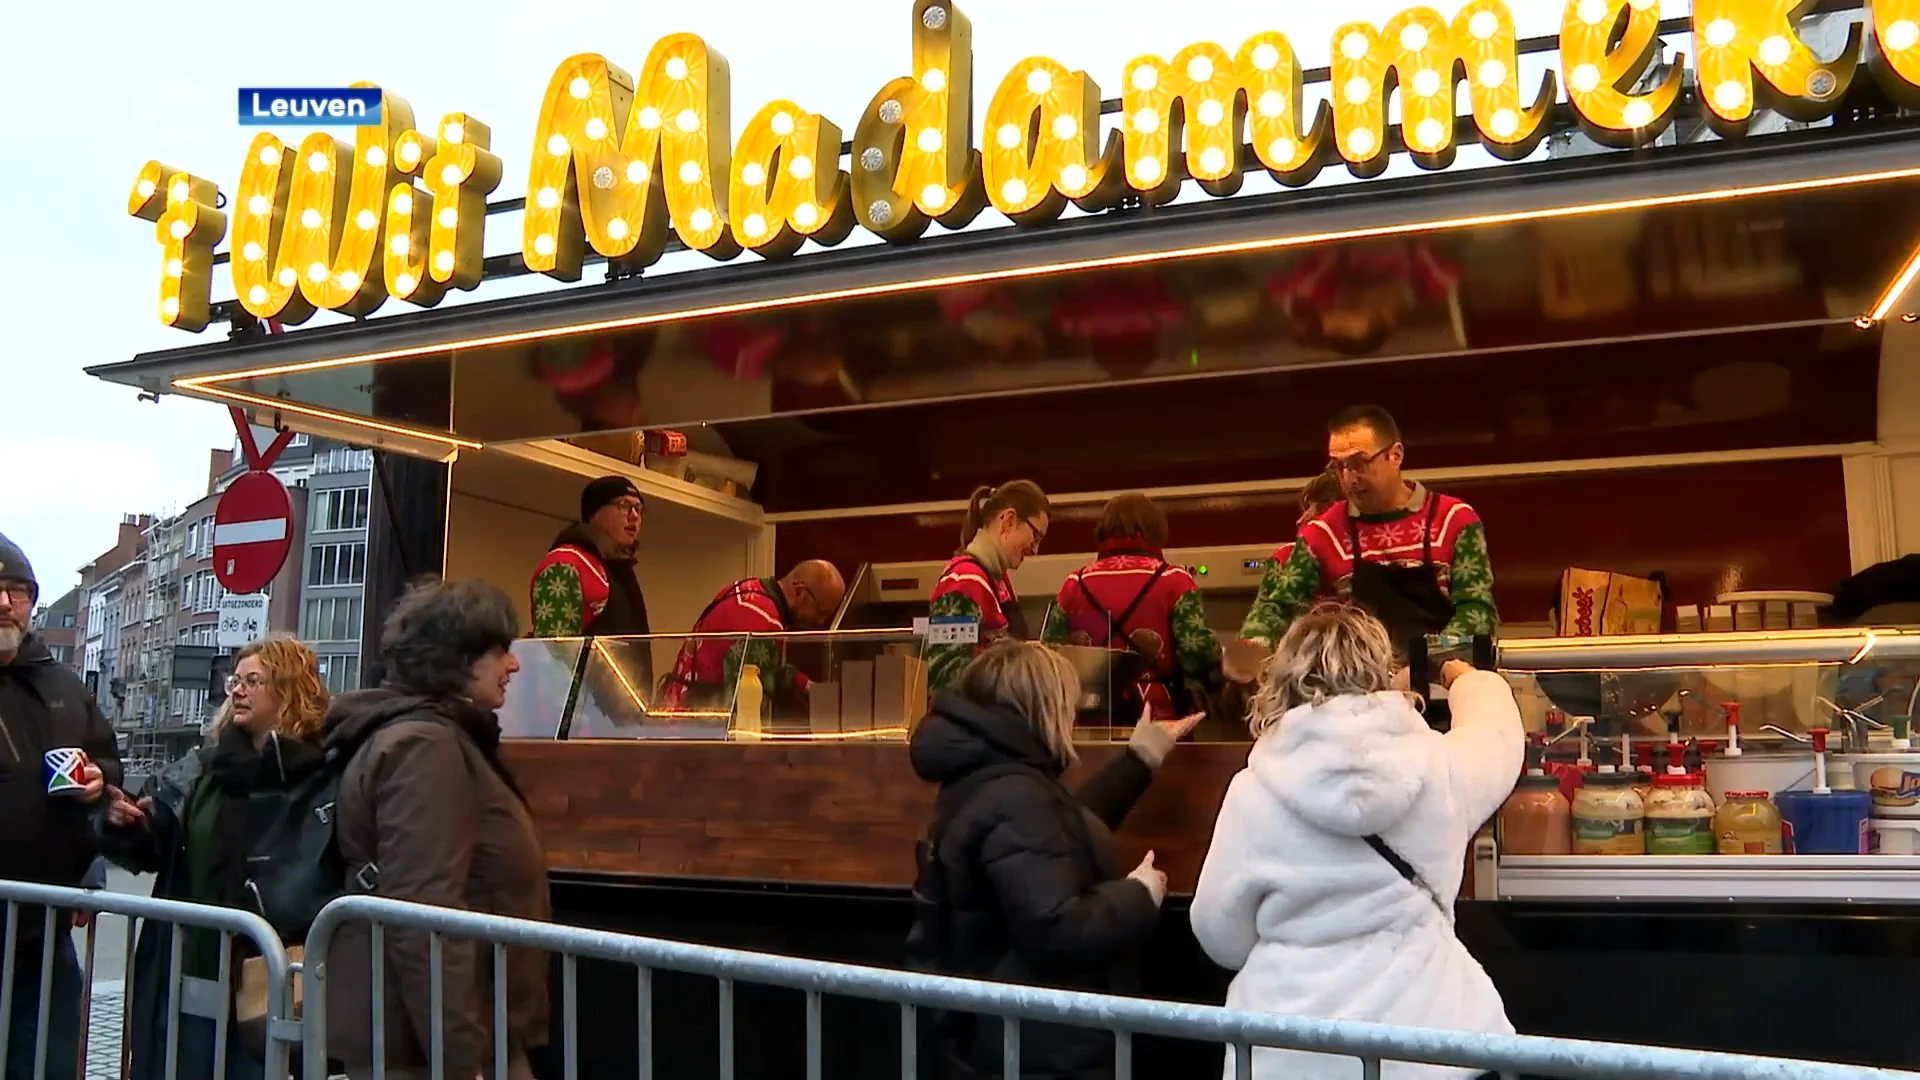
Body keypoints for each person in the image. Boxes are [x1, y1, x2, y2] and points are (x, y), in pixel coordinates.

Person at [1190, 606, 1524, 1080]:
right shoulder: (1441, 770)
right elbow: (1498, 735)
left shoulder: (1253, 793)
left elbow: (1219, 936)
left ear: (1283, 679)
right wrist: (1465, 677)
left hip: (1290, 1056)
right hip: (1431, 1053)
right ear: (1382, 674)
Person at [906, 642, 1202, 1080]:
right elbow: (1056, 926)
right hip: (1040, 1049)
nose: (1074, 715)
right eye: (1067, 703)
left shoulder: (993, 778)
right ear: (1039, 707)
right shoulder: (1016, 794)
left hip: (1008, 1040)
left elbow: (1051, 836)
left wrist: (1140, 757)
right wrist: (1140, 894)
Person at [321, 579, 551, 1080]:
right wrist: (460, 1061)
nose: (513, 665)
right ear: (459, 657)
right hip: (430, 1047)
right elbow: (425, 914)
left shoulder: (428, 735)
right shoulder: (425, 747)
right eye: (500, 651)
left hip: (443, 1036)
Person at [98, 635, 330, 1080]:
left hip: (270, 978)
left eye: (253, 680)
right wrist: (124, 823)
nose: (238, 690)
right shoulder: (204, 767)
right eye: (235, 681)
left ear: (288, 688)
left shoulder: (321, 776)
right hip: (189, 968)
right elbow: (154, 845)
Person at [1238, 406, 1496, 656]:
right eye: (1338, 467)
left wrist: (1426, 665)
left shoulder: (1454, 520)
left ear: (1395, 455)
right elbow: (1277, 609)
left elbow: (1477, 610)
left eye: (1359, 462)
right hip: (1362, 685)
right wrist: (1250, 651)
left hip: (1446, 680)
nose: (1349, 478)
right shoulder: (1322, 534)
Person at [0, 534, 116, 1080]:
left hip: (42, 934)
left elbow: (106, 769)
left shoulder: (64, 688)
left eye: (18, 591)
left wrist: (100, 784)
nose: (6, 603)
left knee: (44, 1062)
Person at [1040, 493, 1220, 722]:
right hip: (1157, 717)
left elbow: (1049, 653)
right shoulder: (1174, 580)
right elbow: (1196, 654)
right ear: (1154, 529)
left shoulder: (1074, 583)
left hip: (1089, 716)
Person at [656, 561, 847, 713]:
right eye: (821, 611)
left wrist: (805, 685)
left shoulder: (744, 588)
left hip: (675, 712)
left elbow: (764, 667)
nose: (821, 621)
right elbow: (749, 708)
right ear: (799, 591)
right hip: (699, 730)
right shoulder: (765, 623)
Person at [927, 481, 1050, 693]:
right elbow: (944, 678)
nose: (1035, 549)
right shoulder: (964, 581)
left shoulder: (996, 579)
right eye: (1036, 536)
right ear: (1009, 520)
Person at [529, 474, 652, 639]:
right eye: (623, 505)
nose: (634, 516)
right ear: (594, 513)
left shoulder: (620, 571)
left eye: (639, 508)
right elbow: (554, 652)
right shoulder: (565, 564)